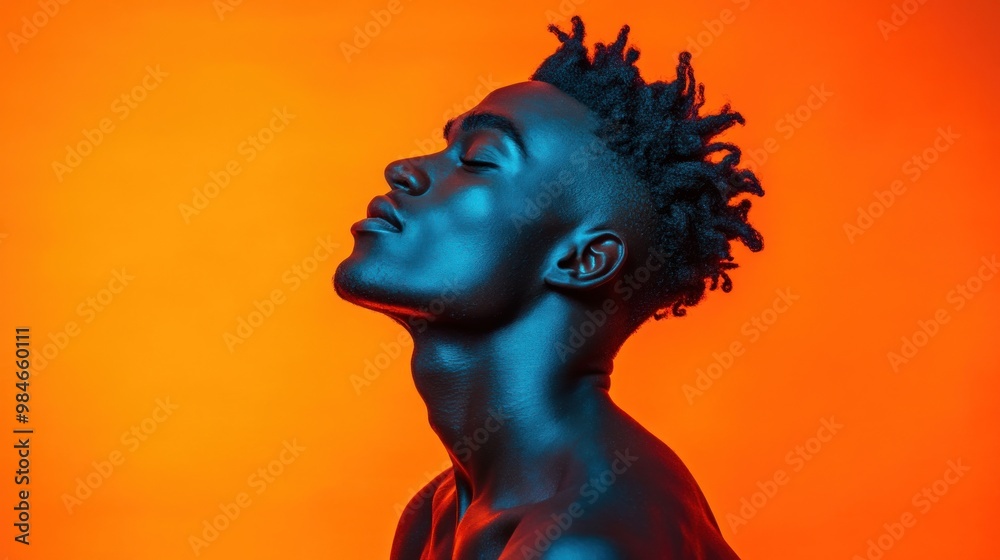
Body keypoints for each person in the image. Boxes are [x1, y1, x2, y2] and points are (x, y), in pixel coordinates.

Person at [334, 16, 764, 559]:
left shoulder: (585, 543)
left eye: (478, 160)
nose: (405, 170)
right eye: (445, 148)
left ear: (584, 258)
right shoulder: (435, 513)